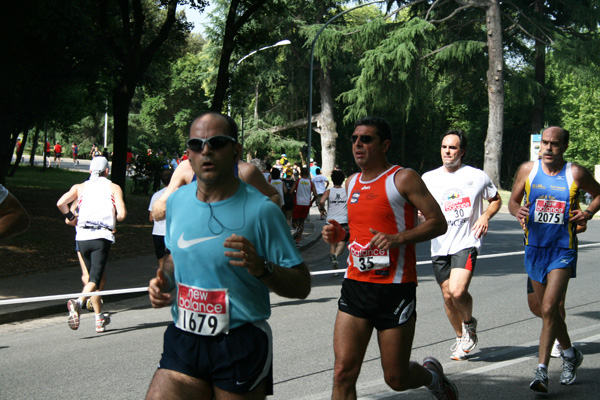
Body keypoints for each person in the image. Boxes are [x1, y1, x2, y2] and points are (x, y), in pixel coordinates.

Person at [145, 112, 311, 400]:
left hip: (240, 341)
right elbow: (172, 256)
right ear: (188, 155)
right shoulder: (177, 203)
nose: (205, 150)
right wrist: (165, 280)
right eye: (196, 144)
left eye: (217, 142)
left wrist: (262, 268)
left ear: (236, 151)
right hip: (184, 337)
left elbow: (302, 285)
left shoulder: (262, 211)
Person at [322, 116, 456, 399]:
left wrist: (398, 238)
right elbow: (360, 235)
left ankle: (432, 378)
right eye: (355, 139)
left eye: (366, 139)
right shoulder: (351, 182)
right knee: (343, 371)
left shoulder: (402, 178)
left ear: (385, 145)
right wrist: (340, 237)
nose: (358, 144)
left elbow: (437, 222)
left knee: (396, 377)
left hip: (395, 288)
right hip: (356, 285)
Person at [509, 126, 600, 393]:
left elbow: (599, 194)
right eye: (545, 143)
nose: (548, 148)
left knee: (550, 308)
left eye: (555, 144)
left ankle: (542, 371)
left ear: (564, 147)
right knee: (541, 308)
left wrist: (588, 213)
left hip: (562, 250)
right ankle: (571, 353)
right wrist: (519, 210)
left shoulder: (575, 173)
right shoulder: (528, 170)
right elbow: (513, 202)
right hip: (534, 249)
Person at [421, 130, 502, 361]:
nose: (447, 151)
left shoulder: (477, 176)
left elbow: (495, 200)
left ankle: (469, 323)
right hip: (439, 244)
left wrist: (485, 216)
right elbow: (420, 206)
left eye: (453, 148)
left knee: (457, 291)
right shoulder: (428, 178)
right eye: (444, 147)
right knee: (447, 297)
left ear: (462, 151)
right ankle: (461, 337)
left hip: (466, 241)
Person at [56, 156, 127, 333]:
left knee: (93, 278)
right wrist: (112, 219)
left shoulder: (80, 188)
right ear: (107, 171)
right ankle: (78, 302)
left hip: (81, 236)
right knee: (95, 278)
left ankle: (99, 318)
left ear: (90, 171)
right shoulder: (113, 187)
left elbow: (61, 204)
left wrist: (73, 217)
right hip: (100, 237)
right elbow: (122, 215)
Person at [151, 155, 280, 223]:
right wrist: (171, 202)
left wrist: (255, 221)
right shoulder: (186, 168)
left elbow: (274, 195)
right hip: (194, 245)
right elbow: (158, 209)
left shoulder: (246, 171)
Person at [319, 169, 347, 275]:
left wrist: (322, 209)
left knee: (333, 244)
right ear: (343, 180)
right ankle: (336, 256)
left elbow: (321, 201)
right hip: (343, 221)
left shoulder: (329, 192)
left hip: (330, 220)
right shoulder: (347, 191)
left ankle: (335, 270)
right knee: (342, 243)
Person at [149, 169, 174, 270]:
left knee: (161, 259)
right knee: (172, 259)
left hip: (158, 232)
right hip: (172, 232)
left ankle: (162, 279)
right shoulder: (178, 194)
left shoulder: (156, 195)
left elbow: (151, 218)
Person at [291, 167, 317, 247]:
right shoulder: (311, 183)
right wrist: (311, 202)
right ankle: (298, 240)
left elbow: (291, 191)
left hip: (298, 203)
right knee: (302, 222)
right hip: (306, 204)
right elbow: (315, 195)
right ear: (308, 174)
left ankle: (296, 227)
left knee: (294, 221)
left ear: (301, 173)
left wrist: (293, 198)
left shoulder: (298, 181)